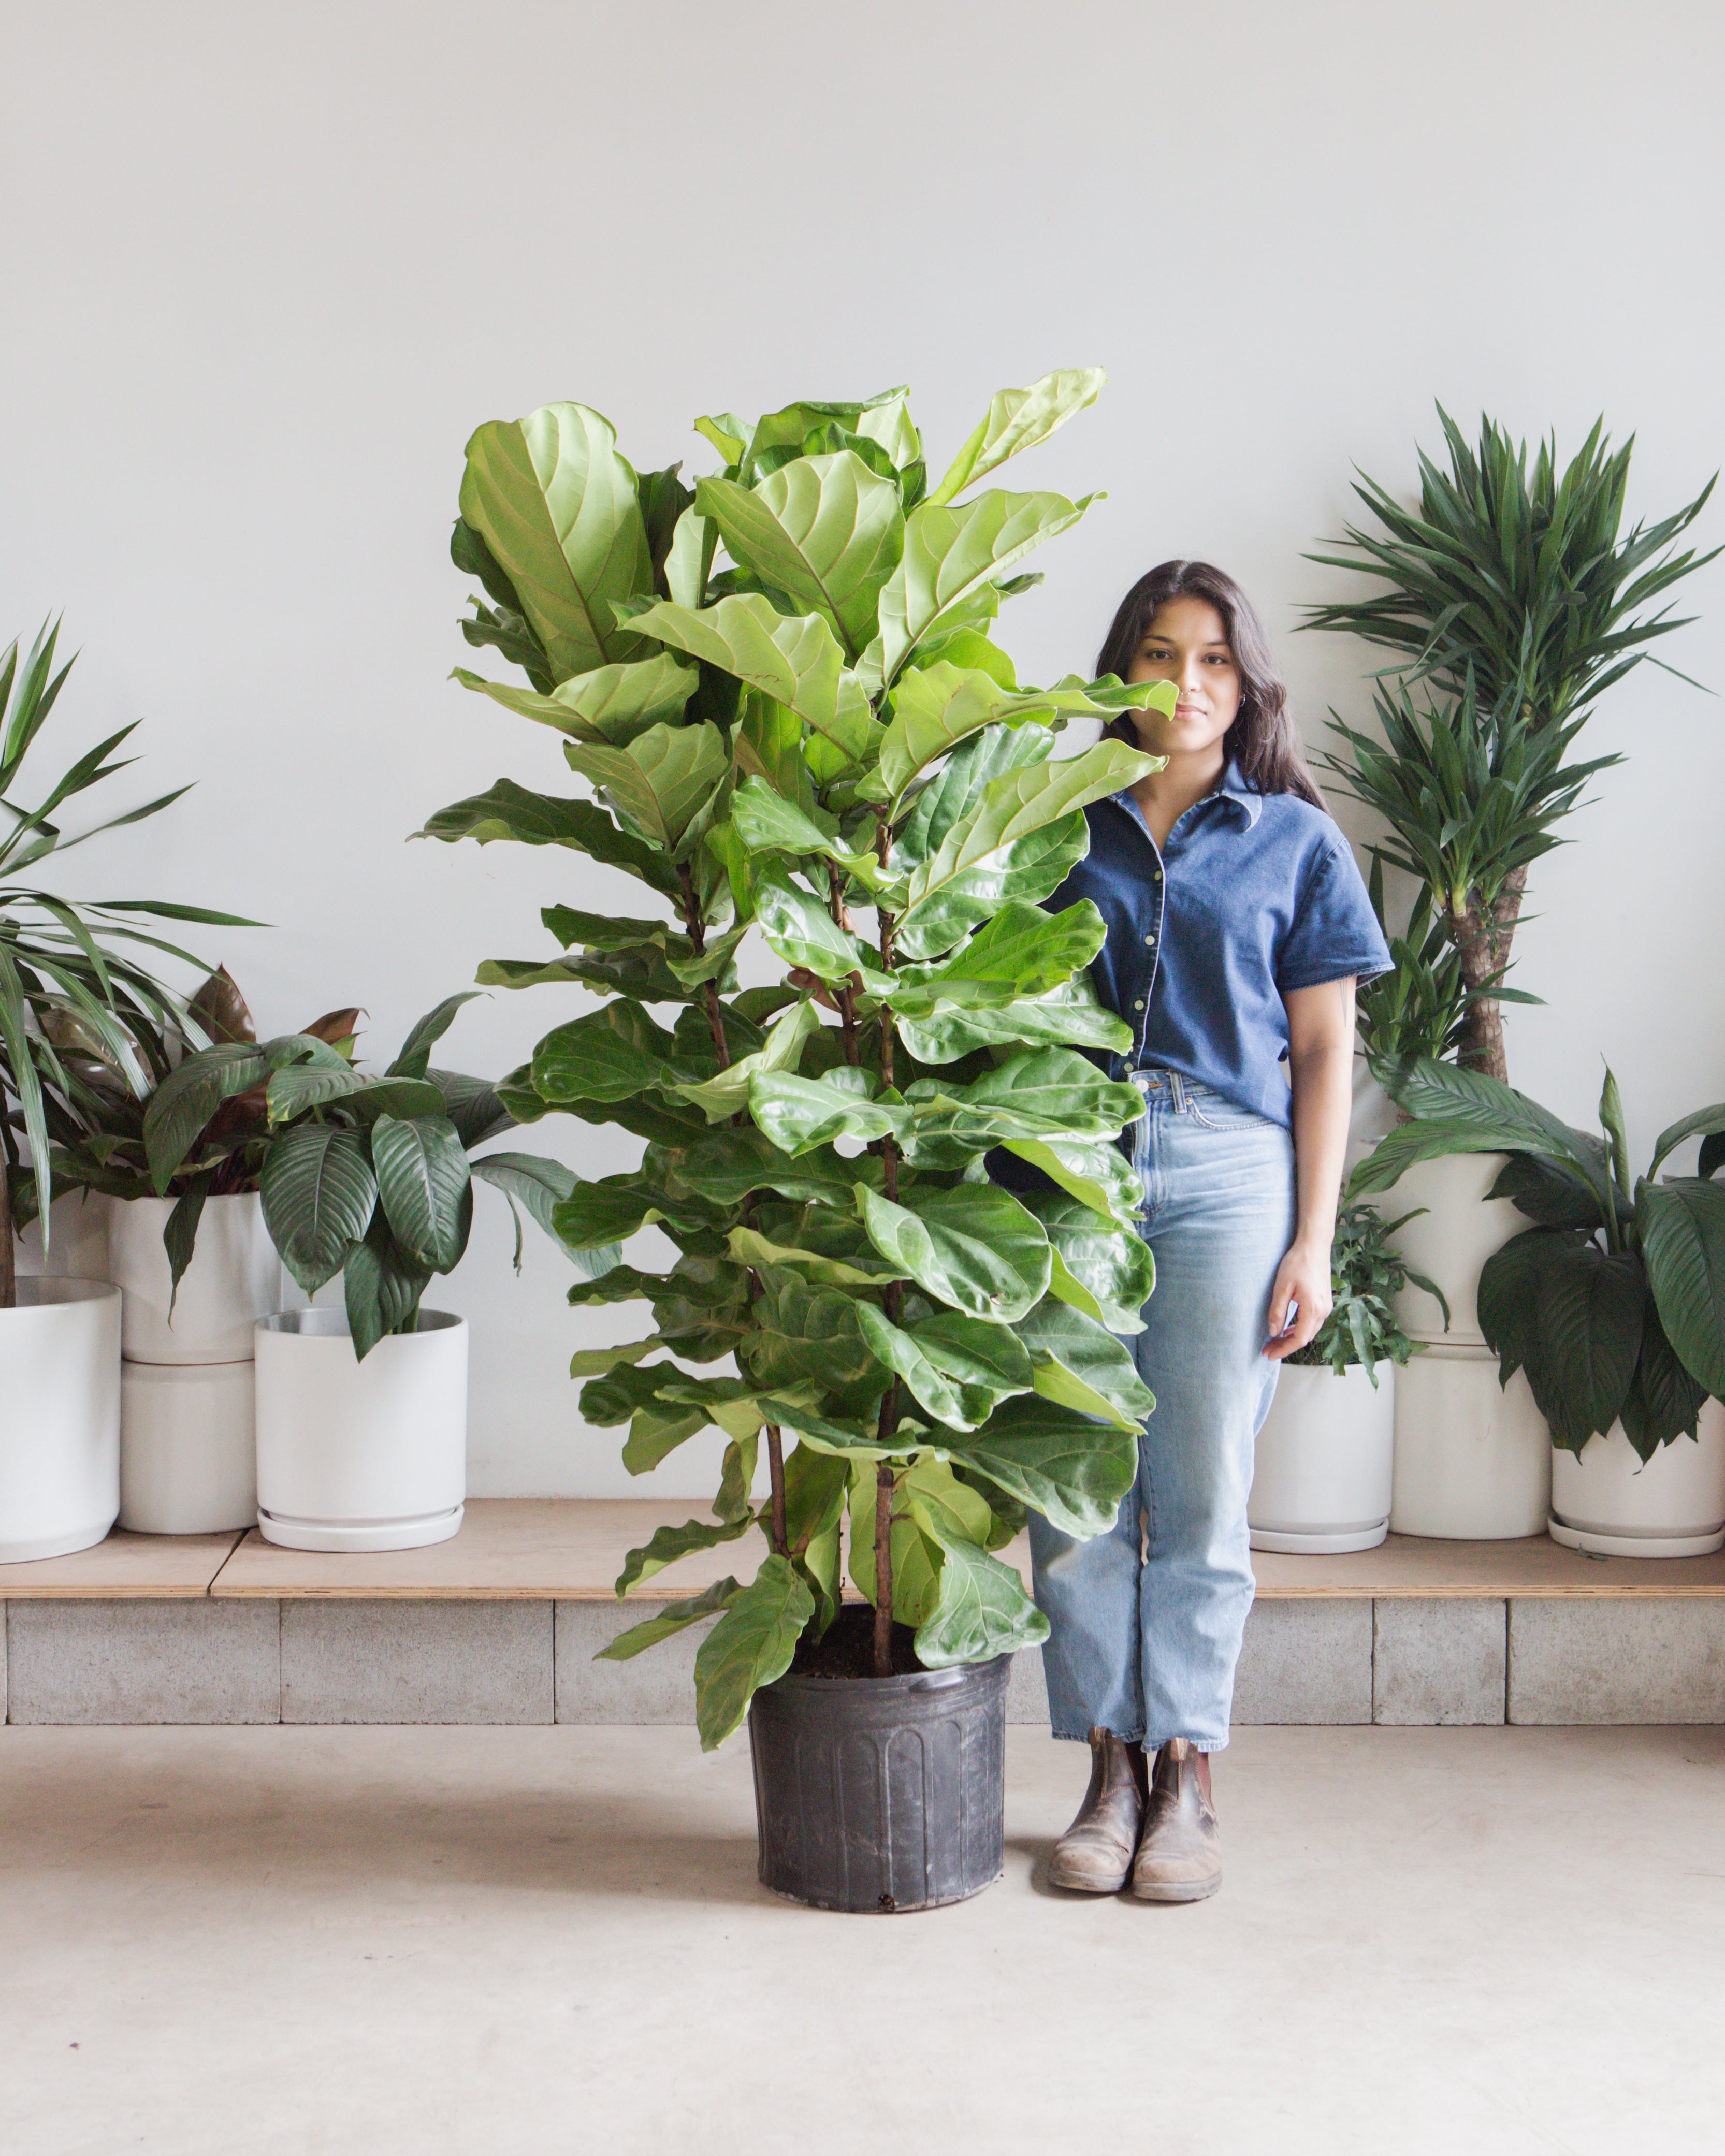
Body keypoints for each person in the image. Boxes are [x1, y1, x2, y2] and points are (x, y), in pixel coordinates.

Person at [1025, 560, 1391, 1902]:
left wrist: (1313, 1238)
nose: (1183, 684)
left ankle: (1184, 1772)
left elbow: (1320, 1050)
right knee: (1072, 1484)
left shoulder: (1294, 839)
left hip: (1230, 1167)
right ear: (1119, 670)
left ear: (1244, 685)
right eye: (1158, 654)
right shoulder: (1051, 825)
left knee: (1199, 1489)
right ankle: (1105, 1768)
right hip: (1066, 1164)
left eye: (1211, 662)